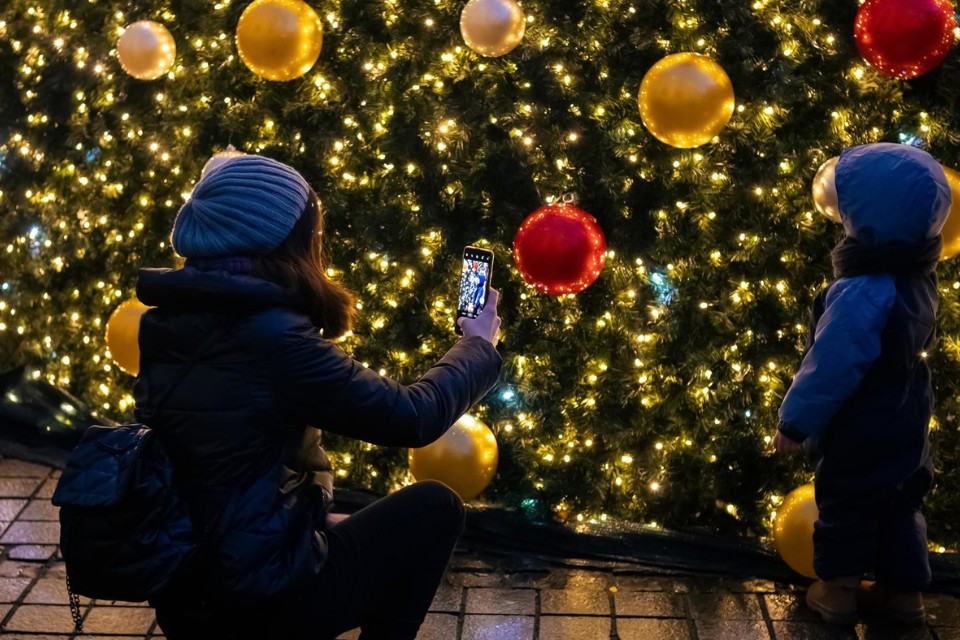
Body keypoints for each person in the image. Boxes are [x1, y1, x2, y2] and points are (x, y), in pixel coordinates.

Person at [133, 154, 503, 639]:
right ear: (290, 239)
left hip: (183, 593)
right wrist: (477, 346)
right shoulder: (271, 338)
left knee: (352, 519)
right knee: (435, 508)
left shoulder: (166, 319)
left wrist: (308, 513)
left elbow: (217, 460)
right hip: (261, 602)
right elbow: (413, 415)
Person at [774, 143, 951, 625]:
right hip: (909, 409)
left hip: (863, 415)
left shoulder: (862, 288)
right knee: (901, 497)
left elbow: (834, 361)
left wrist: (795, 421)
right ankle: (904, 596)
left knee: (847, 497)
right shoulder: (921, 277)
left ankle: (837, 593)